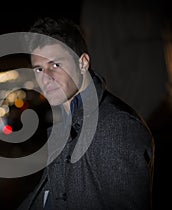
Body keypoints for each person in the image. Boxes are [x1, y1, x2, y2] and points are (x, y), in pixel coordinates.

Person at [17, 17, 155, 210]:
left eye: (55, 65)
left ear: (83, 63)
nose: (46, 78)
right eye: (39, 69)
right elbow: (48, 197)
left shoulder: (115, 126)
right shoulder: (65, 125)